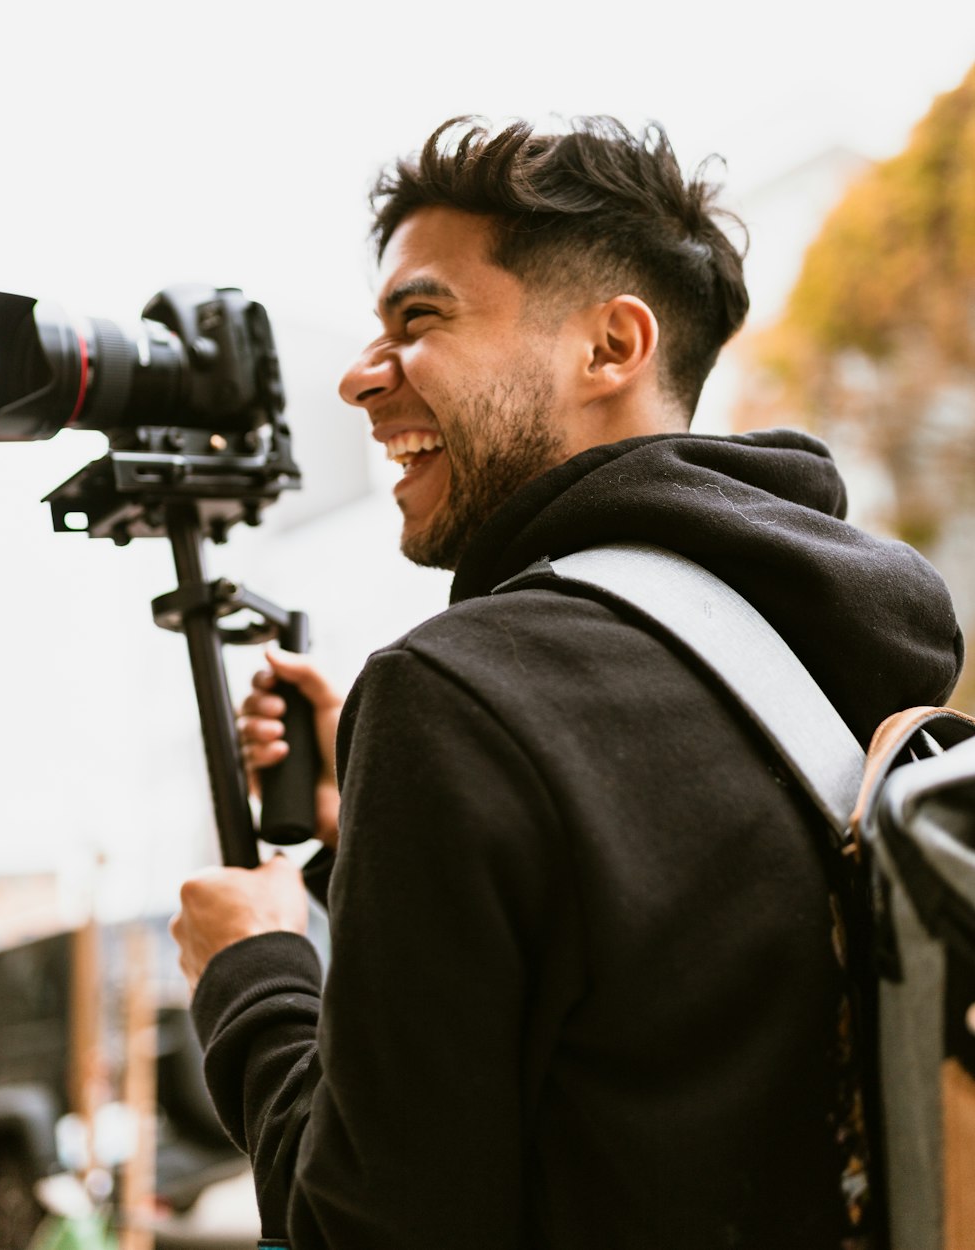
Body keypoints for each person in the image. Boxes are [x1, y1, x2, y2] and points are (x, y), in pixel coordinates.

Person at [170, 116, 964, 1249]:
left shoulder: (454, 693)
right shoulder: (838, 649)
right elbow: (665, 1012)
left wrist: (252, 970)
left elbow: (364, 1226)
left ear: (611, 346)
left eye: (419, 316)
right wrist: (390, 826)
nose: (357, 377)